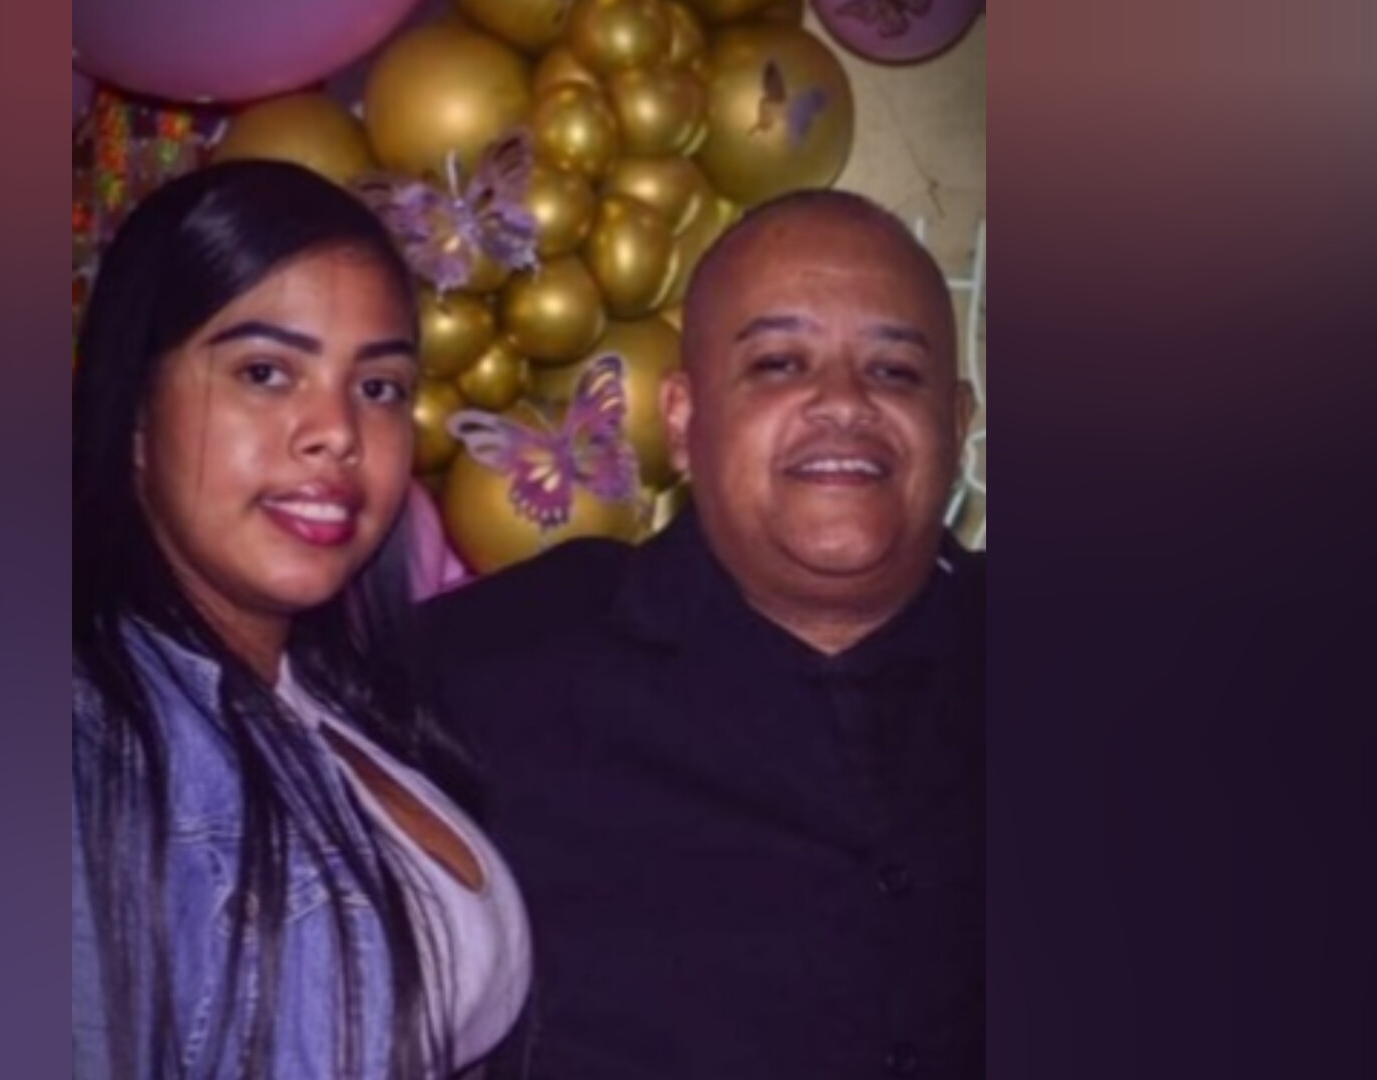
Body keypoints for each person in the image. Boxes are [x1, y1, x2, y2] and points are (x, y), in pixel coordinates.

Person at [421, 189, 983, 1079]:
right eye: (779, 364)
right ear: (682, 422)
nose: (844, 403)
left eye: (894, 371)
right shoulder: (483, 675)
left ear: (957, 426)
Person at [72, 160, 531, 1080]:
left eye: (379, 386)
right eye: (266, 372)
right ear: (136, 417)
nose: (338, 432)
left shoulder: (338, 701)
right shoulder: (91, 745)